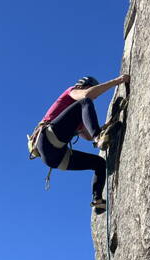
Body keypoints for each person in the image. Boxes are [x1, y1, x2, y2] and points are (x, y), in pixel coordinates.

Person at [34, 74, 129, 213]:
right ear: (82, 85)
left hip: (54, 158)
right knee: (86, 101)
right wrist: (118, 81)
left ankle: (98, 201)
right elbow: (87, 96)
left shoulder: (76, 116)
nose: (94, 96)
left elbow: (87, 136)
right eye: (91, 88)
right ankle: (99, 136)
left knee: (99, 163)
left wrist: (105, 127)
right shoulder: (71, 91)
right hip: (47, 138)